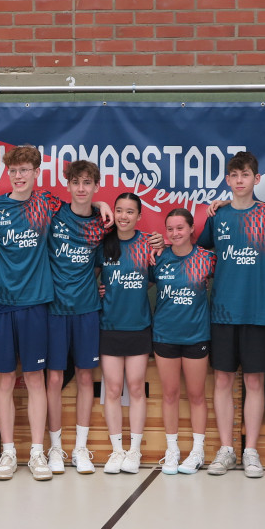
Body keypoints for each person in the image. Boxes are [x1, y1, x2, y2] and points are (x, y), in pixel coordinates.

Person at [0, 145, 111, 481]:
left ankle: (37, 452)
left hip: (37, 304)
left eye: (25, 170)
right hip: (0, 304)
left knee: (35, 378)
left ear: (37, 173)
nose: (19, 176)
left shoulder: (47, 203)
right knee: (5, 379)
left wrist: (103, 204)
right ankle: (8, 452)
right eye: (13, 171)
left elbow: (82, 205)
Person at [196, 151, 265, 478]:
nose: (240, 180)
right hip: (223, 311)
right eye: (234, 175)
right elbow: (198, 251)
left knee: (255, 381)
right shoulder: (218, 216)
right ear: (228, 180)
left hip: (258, 311)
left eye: (246, 175)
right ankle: (227, 449)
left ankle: (251, 451)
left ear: (257, 179)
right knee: (223, 380)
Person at [44, 160, 109, 476]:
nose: (81, 188)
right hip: (54, 310)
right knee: (54, 379)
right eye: (76, 182)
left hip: (86, 310)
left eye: (87, 183)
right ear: (67, 185)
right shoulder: (53, 214)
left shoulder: (101, 224)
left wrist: (101, 206)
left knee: (85, 378)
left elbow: (97, 266)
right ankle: (55, 449)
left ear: (96, 186)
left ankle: (80, 448)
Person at [153, 209, 216, 475]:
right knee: (170, 394)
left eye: (180, 228)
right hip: (165, 335)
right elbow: (136, 285)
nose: (175, 233)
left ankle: (198, 451)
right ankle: (172, 450)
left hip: (196, 336)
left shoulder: (207, 259)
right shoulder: (158, 258)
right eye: (170, 229)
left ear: (191, 229)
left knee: (196, 395)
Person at [99, 193, 154, 474]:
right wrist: (97, 290)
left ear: (139, 216)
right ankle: (117, 451)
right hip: (109, 326)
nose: (123, 216)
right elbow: (88, 276)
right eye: (119, 210)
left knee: (135, 388)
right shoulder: (103, 244)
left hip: (138, 326)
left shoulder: (147, 244)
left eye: (130, 212)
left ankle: (134, 451)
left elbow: (155, 278)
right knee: (112, 389)